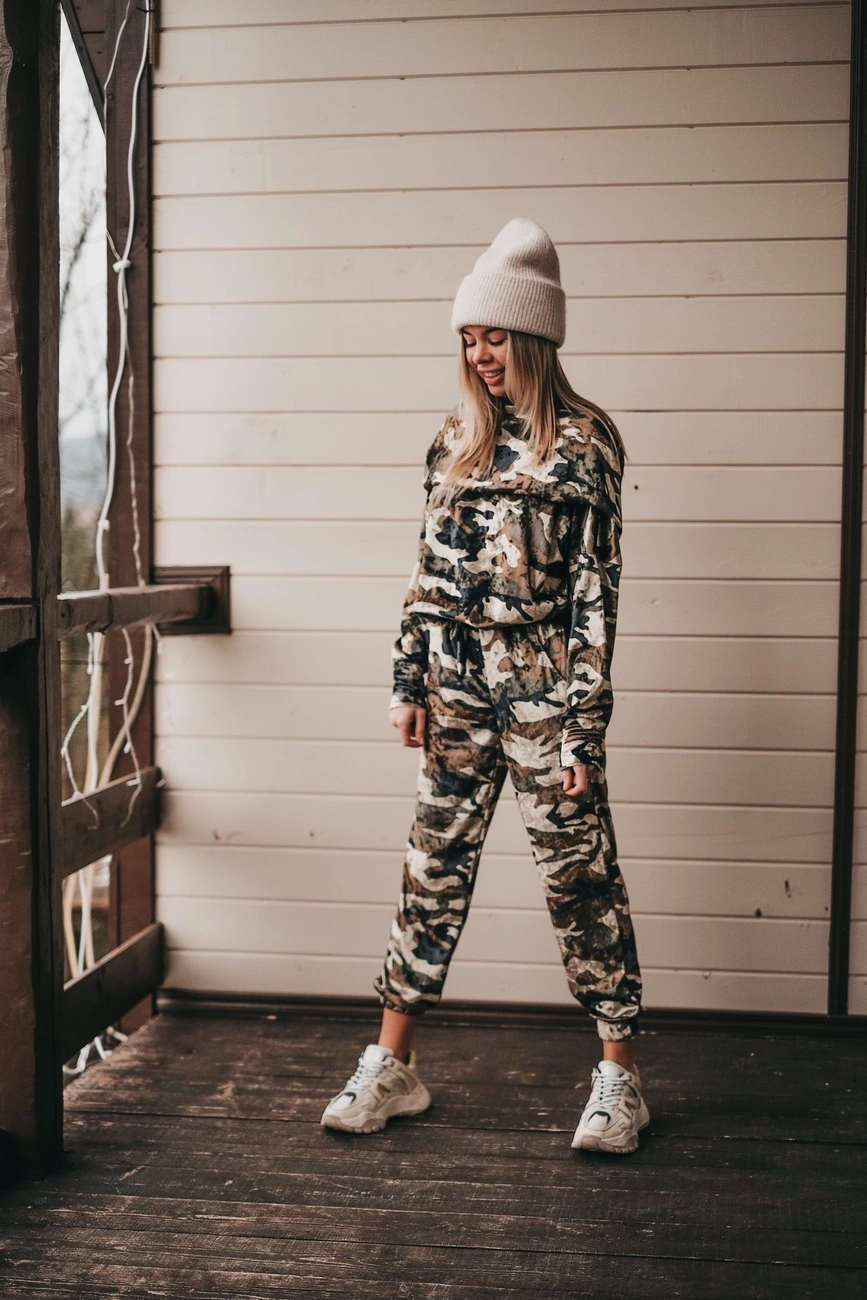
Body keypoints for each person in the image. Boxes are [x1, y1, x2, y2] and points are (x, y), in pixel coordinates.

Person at [321, 218, 648, 1155]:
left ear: (534, 337)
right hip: (455, 691)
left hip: (544, 694)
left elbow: (593, 594)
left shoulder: (586, 441)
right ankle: (393, 1065)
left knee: (580, 879)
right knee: (432, 870)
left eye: (495, 336)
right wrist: (407, 680)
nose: (479, 355)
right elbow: (424, 572)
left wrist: (582, 729)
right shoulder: (452, 441)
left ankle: (619, 1082)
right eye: (469, 338)